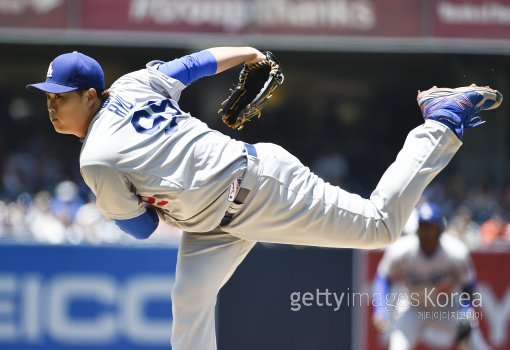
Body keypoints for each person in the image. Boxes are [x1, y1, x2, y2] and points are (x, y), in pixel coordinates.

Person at [27, 47, 502, 350]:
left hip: (261, 191)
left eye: (61, 97)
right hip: (210, 221)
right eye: (48, 96)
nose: (51, 105)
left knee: (380, 227)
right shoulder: (134, 84)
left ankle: (441, 120)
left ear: (90, 96)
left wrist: (150, 194)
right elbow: (192, 65)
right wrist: (248, 53)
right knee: (189, 304)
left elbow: (142, 227)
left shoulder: (97, 159)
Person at [372, 202, 491, 350]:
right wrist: (380, 308)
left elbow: (468, 286)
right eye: (423, 226)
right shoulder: (402, 250)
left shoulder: (455, 251)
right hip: (414, 305)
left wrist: (464, 310)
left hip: (447, 306)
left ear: (439, 229)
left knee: (477, 346)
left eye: (430, 226)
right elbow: (383, 277)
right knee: (397, 347)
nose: (426, 231)